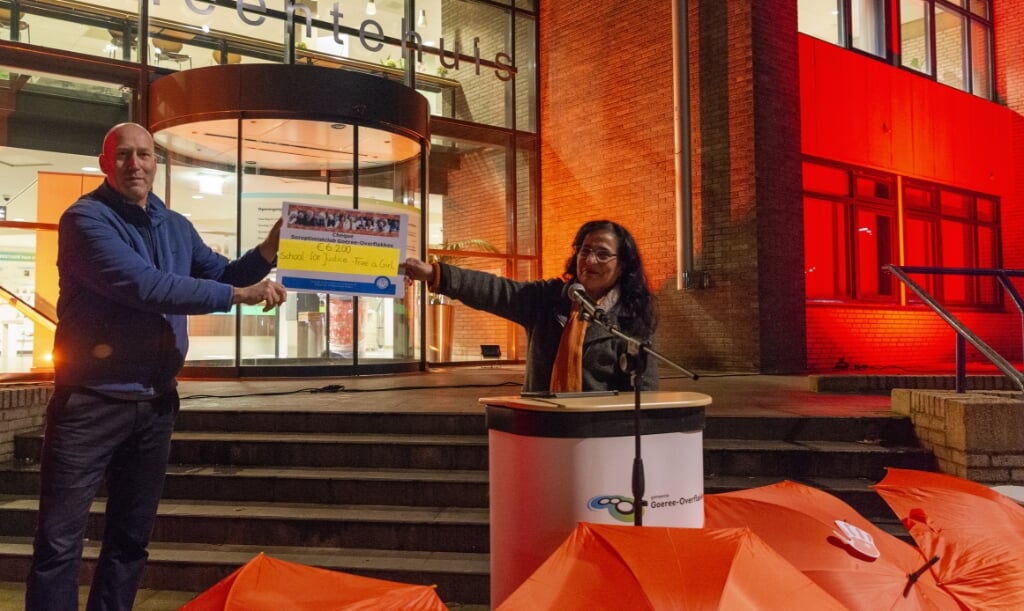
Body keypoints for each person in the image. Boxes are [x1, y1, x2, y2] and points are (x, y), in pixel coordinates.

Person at [25, 122, 289, 611]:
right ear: (106, 163)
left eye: (144, 155)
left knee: (130, 539)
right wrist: (238, 296)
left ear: (155, 163)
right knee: (59, 544)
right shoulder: (85, 220)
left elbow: (225, 272)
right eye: (123, 155)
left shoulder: (176, 226)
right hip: (90, 402)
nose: (135, 165)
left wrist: (268, 250)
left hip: (155, 404)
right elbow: (144, 286)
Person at [404, 220, 658, 393]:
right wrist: (434, 274)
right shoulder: (549, 299)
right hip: (541, 430)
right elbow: (494, 291)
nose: (590, 260)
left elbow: (644, 389)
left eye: (602, 254)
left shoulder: (630, 318)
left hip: (597, 438)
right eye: (585, 250)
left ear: (622, 265)